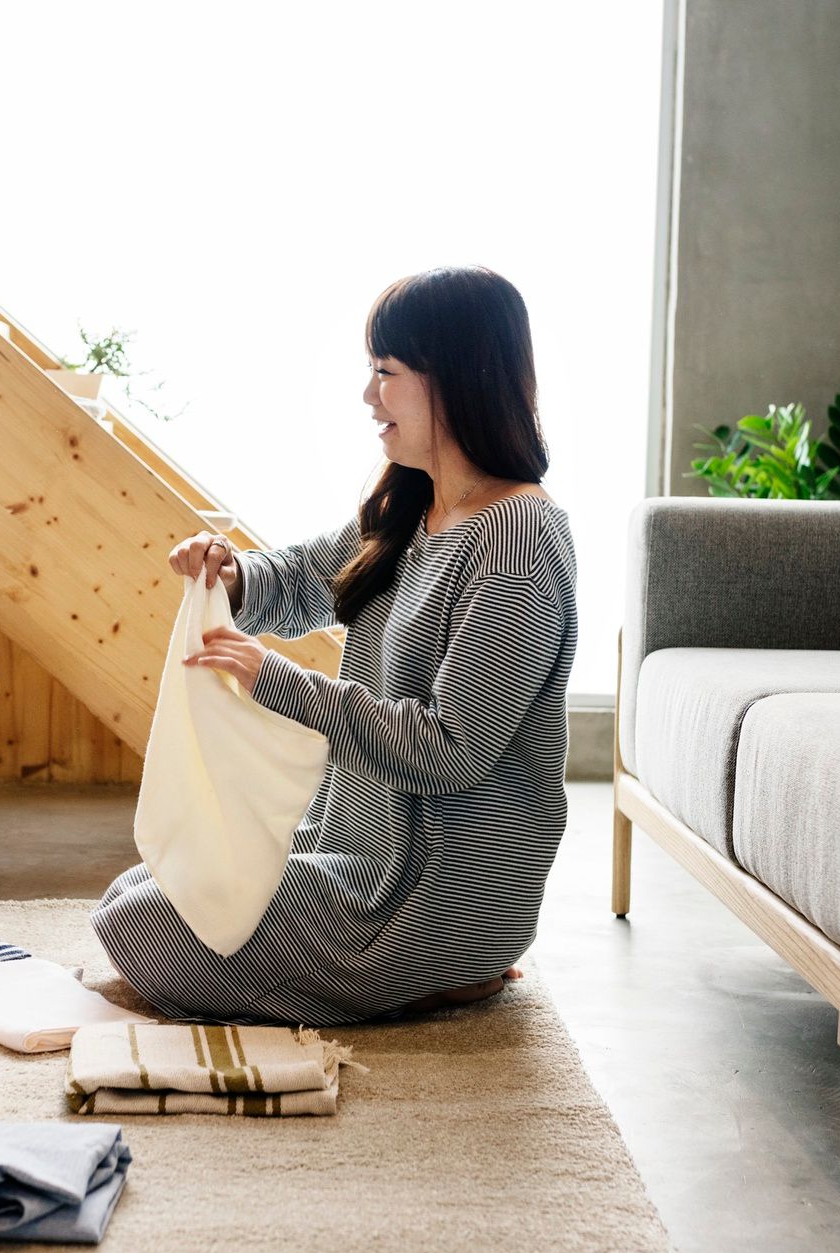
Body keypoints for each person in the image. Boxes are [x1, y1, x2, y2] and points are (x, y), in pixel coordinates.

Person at [92, 266, 577, 1024]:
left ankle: (450, 965)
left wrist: (274, 681)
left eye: (385, 373)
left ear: (453, 379)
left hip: (431, 889)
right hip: (360, 846)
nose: (368, 396)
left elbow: (449, 751)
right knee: (144, 886)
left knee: (141, 925)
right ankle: (410, 975)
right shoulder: (417, 504)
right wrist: (232, 574)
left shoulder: (518, 543)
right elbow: (304, 576)